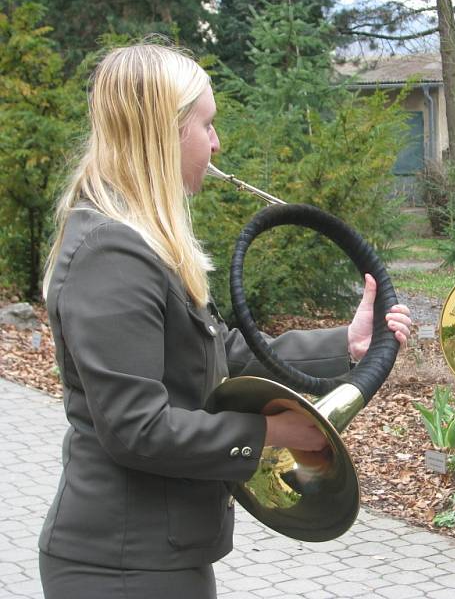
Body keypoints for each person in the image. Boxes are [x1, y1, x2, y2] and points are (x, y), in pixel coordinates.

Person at [38, 42, 412, 599]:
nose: (217, 143)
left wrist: (347, 345)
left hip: (154, 555)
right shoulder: (110, 253)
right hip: (118, 565)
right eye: (206, 125)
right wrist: (272, 433)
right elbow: (136, 429)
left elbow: (219, 353)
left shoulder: (138, 238)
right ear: (162, 131)